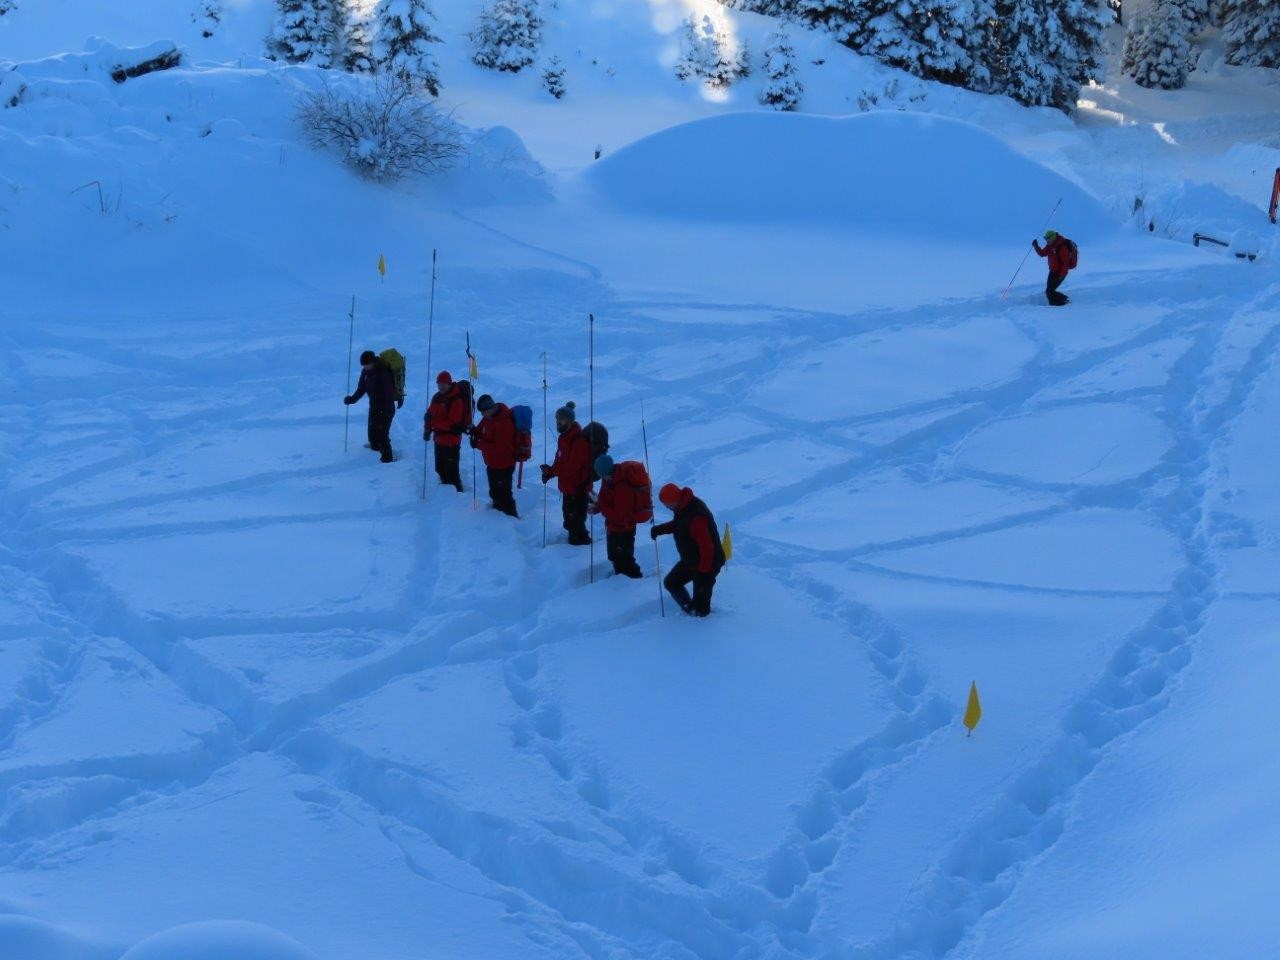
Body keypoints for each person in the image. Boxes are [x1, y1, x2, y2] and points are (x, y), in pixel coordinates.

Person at [651, 483, 725, 617]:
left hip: (708, 563)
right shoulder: (683, 507)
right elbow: (680, 524)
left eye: (668, 505)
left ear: (675, 500)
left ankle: (701, 622)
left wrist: (702, 573)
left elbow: (707, 548)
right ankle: (689, 608)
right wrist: (660, 529)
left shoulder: (696, 517)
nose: (667, 508)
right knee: (671, 582)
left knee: (702, 609)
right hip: (692, 560)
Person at [540, 401, 592, 546]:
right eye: (557, 419)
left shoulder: (579, 441)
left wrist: (554, 471)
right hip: (568, 487)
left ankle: (580, 548)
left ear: (570, 421)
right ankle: (576, 542)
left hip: (578, 488)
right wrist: (550, 471)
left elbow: (571, 468)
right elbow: (560, 460)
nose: (558, 423)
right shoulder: (564, 438)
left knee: (576, 521)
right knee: (569, 519)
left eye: (561, 420)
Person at [589, 455, 650, 578]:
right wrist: (598, 507)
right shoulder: (608, 479)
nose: (600, 476)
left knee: (625, 559)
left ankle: (633, 581)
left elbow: (621, 515)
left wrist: (603, 508)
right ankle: (620, 577)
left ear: (605, 471)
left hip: (625, 528)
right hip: (613, 526)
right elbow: (604, 497)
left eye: (600, 473)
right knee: (614, 555)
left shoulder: (622, 486)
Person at [344, 350, 397, 463]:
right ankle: (375, 450)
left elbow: (389, 392)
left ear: (372, 362)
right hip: (374, 406)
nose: (364, 367)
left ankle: (388, 460)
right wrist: (351, 399)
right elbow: (361, 388)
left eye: (366, 365)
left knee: (382, 434)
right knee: (372, 433)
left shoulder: (383, 372)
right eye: (363, 365)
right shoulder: (366, 372)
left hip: (386, 407)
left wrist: (388, 409)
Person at [470, 394, 518, 517]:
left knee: (504, 494)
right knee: (495, 492)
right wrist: (473, 430)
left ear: (490, 408)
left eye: (483, 412)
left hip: (504, 464)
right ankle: (497, 516)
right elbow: (480, 430)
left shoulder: (504, 422)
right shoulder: (488, 418)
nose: (482, 415)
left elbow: (499, 447)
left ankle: (510, 518)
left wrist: (478, 444)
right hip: (492, 463)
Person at [423, 370, 468, 492]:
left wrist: (433, 422)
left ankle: (458, 496)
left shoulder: (456, 400)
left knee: (452, 473)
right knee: (440, 469)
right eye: (439, 383)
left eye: (444, 384)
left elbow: (452, 424)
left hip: (451, 442)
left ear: (449, 384)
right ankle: (445, 496)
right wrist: (427, 430)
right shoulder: (437, 397)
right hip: (438, 440)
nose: (441, 386)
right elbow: (429, 415)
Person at [1032, 229, 1075, 306]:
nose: (1046, 240)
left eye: (1047, 238)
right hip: (1052, 271)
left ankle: (1061, 303)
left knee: (1050, 291)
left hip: (1060, 272)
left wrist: (1061, 275)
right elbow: (1042, 253)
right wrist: (1036, 246)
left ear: (1052, 238)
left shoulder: (1062, 247)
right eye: (1045, 238)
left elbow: (1065, 264)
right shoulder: (1050, 245)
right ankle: (1059, 302)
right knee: (1049, 291)